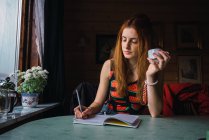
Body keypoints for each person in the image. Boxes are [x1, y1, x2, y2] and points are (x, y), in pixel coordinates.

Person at [74, 14, 171, 118]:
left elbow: (155, 112)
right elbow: (98, 103)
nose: (126, 46)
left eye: (134, 41)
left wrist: (150, 76)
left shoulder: (154, 68)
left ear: (145, 43)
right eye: (124, 39)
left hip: (139, 122)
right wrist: (89, 110)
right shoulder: (109, 65)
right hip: (110, 118)